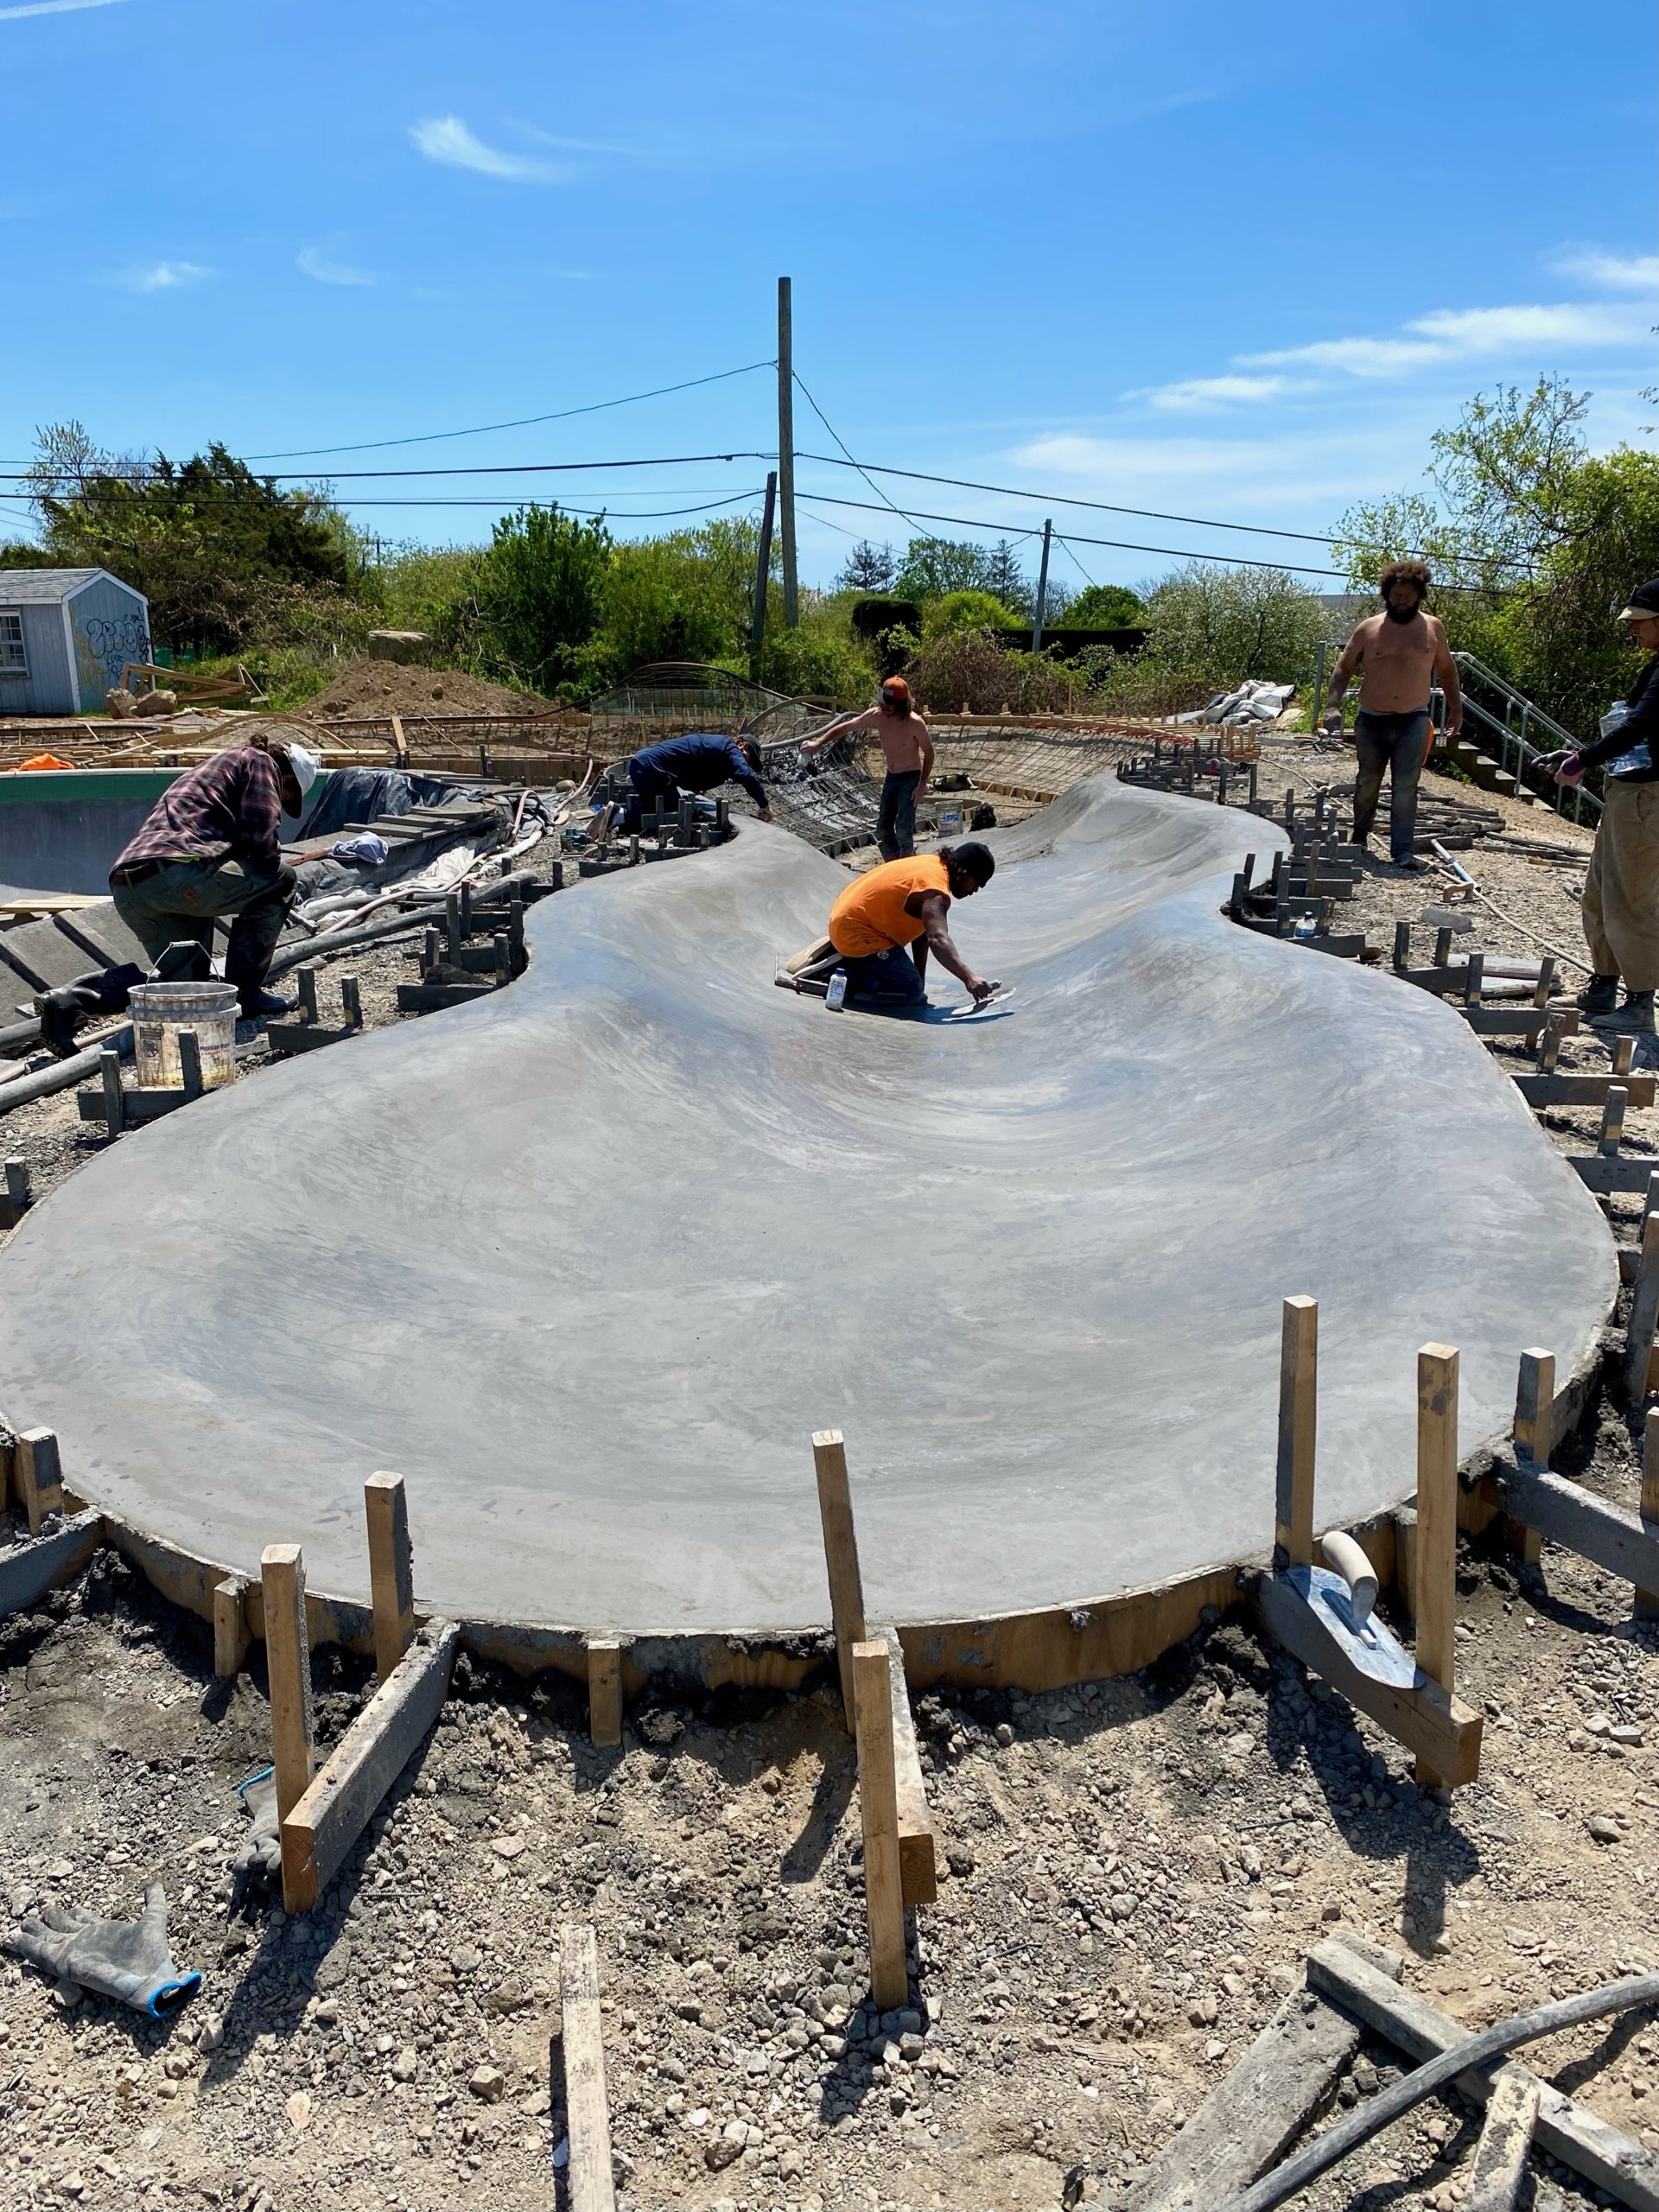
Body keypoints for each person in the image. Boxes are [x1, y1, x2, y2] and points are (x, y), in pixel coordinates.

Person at [108, 735, 319, 1018]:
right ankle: (245, 996)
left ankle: (72, 1001)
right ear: (287, 778)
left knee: (191, 992)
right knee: (281, 881)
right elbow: (261, 840)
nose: (282, 801)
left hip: (129, 887)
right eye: (286, 796)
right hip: (179, 873)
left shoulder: (209, 770)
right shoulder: (260, 761)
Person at [1545, 576, 1659, 1033]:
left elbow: (1638, 728)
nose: (1633, 630)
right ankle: (1604, 983)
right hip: (1626, 792)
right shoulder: (1653, 666)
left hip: (1647, 799)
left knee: (1632, 897)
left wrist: (1581, 761)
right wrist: (1582, 754)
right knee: (1599, 891)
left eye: (1641, 622)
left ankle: (1640, 999)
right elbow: (1630, 728)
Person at [1321, 559, 1463, 869]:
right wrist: (1332, 705)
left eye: (1407, 596)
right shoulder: (1369, 628)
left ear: (1419, 594)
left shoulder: (1432, 627)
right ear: (1386, 594)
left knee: (1405, 788)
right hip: (1372, 719)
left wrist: (1456, 708)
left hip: (1413, 719)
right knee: (1367, 782)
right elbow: (1343, 667)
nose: (1400, 601)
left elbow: (1447, 669)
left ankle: (1402, 851)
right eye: (1395, 596)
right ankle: (1359, 839)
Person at [819, 842, 998, 1008]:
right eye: (977, 883)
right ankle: (839, 978)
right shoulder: (934, 890)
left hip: (847, 924)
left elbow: (922, 936)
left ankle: (854, 965)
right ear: (963, 872)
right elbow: (937, 938)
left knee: (914, 986)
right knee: (909, 994)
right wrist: (969, 978)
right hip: (858, 934)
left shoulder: (932, 864)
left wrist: (919, 981)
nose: (975, 890)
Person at [800, 676, 933, 861]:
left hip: (910, 779)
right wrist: (819, 743)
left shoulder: (914, 723)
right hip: (891, 778)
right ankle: (893, 865)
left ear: (902, 704)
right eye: (883, 702)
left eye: (890, 704)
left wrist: (921, 785)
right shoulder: (877, 716)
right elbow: (846, 727)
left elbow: (929, 753)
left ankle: (907, 867)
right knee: (883, 829)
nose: (884, 707)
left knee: (903, 829)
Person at [622, 733, 772, 829]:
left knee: (670, 807)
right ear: (743, 745)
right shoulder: (730, 748)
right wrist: (764, 805)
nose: (747, 763)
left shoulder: (719, 746)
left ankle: (622, 812)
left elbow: (692, 762)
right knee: (676, 814)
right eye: (749, 760)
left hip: (646, 766)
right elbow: (747, 776)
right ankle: (619, 815)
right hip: (652, 769)